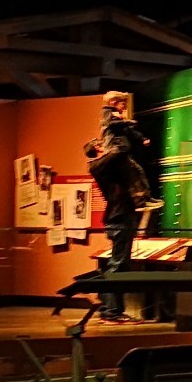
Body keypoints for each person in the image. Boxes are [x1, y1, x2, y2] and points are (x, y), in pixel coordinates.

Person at [83, 91, 152, 321]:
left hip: (119, 215)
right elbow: (119, 151)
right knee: (118, 265)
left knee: (116, 263)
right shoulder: (100, 165)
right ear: (97, 151)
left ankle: (108, 307)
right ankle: (112, 311)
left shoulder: (107, 164)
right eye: (101, 145)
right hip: (119, 217)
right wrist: (125, 125)